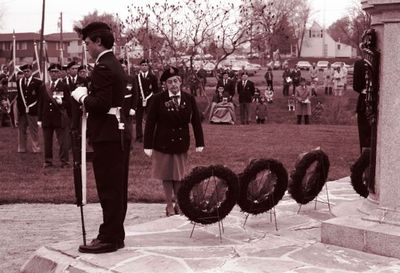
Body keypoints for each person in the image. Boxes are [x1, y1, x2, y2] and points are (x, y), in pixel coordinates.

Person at [71, 22, 132, 254]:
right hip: (115, 132)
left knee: (109, 187)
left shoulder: (103, 67)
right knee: (116, 187)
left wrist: (81, 97)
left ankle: (109, 237)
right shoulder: (111, 63)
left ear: (98, 42)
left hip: (108, 134)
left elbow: (101, 105)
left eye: (87, 43)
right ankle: (115, 234)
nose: (86, 47)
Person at [143, 66, 204, 217]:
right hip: (163, 143)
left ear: (181, 82)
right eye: (170, 82)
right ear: (165, 84)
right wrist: (147, 145)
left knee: (178, 175)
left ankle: (179, 203)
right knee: (166, 175)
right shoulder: (158, 99)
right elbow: (150, 123)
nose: (174, 85)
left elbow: (196, 121)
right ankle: (169, 205)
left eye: (176, 81)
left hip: (180, 142)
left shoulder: (189, 99)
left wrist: (200, 142)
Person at [37, 64, 71, 168]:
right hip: (47, 118)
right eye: (52, 72)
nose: (54, 74)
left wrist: (62, 103)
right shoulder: (44, 87)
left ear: (60, 73)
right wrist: (39, 119)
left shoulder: (64, 86)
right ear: (49, 73)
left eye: (56, 72)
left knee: (63, 142)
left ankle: (64, 161)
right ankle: (48, 161)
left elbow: (69, 103)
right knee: (47, 142)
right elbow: (40, 103)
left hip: (59, 117)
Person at [15, 64, 41, 153]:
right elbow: (18, 97)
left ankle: (36, 148)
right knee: (21, 130)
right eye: (24, 71)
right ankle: (21, 148)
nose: (26, 73)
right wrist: (18, 110)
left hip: (33, 111)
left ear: (31, 71)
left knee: (34, 131)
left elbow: (39, 98)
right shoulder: (19, 82)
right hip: (22, 111)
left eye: (28, 71)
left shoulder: (37, 82)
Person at [134, 58, 159, 143]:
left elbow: (156, 90)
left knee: (150, 119)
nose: (144, 67)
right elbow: (135, 90)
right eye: (142, 65)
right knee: (138, 119)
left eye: (146, 65)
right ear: (140, 67)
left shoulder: (153, 77)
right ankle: (139, 136)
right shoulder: (137, 77)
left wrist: (156, 102)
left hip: (150, 100)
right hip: (140, 101)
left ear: (148, 67)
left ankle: (150, 136)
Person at [353, 58, 370, 153]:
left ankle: (365, 157)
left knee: (364, 132)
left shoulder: (359, 64)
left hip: (364, 101)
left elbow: (356, 86)